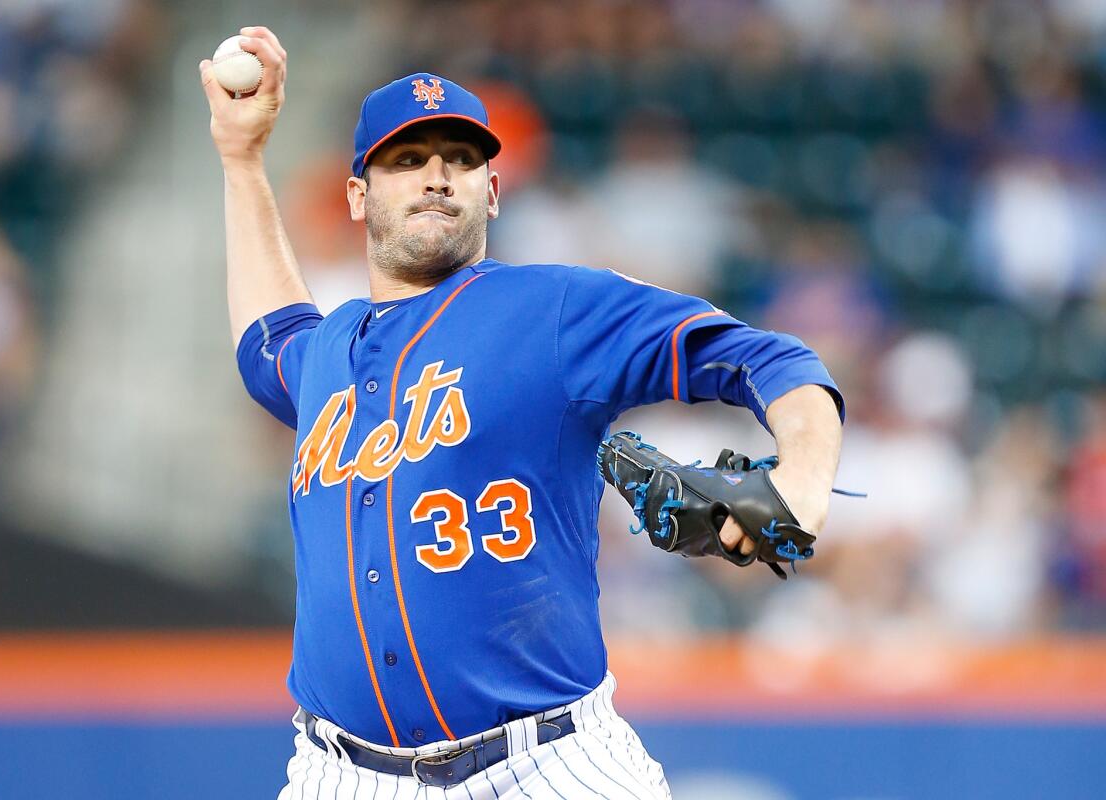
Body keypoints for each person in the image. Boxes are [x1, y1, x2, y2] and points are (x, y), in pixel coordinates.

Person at [199, 26, 844, 800]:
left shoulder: (556, 309)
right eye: (408, 160)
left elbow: (771, 362)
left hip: (545, 765)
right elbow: (267, 339)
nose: (437, 176)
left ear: (493, 192)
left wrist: (804, 475)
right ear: (357, 196)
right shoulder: (328, 351)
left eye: (462, 160)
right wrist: (241, 159)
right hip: (341, 774)